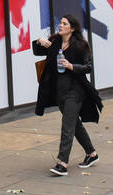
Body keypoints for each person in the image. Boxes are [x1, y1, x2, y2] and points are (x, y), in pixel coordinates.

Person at [33, 15, 102, 176]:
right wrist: (39, 41)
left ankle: (62, 163)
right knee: (74, 124)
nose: (61, 26)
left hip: (75, 91)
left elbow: (88, 67)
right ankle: (92, 154)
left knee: (67, 125)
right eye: (61, 23)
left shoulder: (80, 46)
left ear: (72, 28)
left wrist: (71, 66)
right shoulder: (55, 42)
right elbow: (37, 51)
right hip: (59, 92)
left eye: (65, 24)